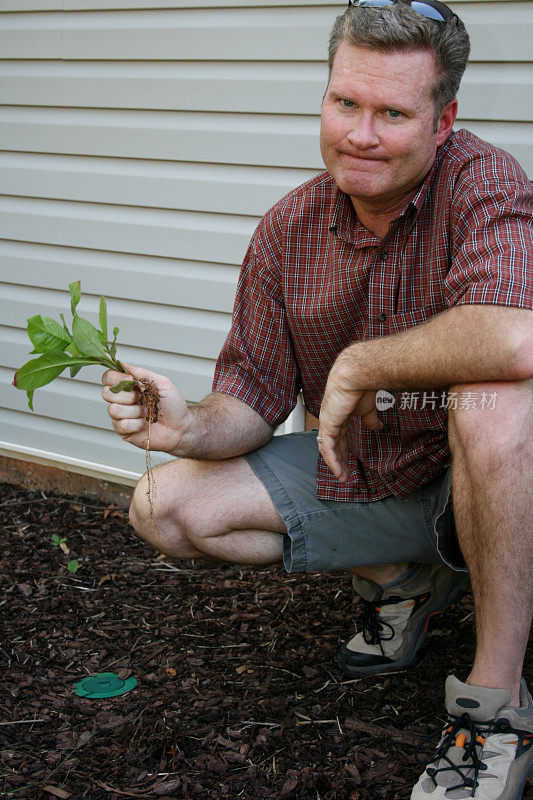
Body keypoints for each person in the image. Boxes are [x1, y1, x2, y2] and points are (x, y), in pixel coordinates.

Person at [102, 0, 533, 795]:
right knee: (163, 504)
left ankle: (494, 704)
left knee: (495, 399)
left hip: (492, 481)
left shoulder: (482, 180)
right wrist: (186, 423)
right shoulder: (286, 227)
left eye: (393, 112)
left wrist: (363, 364)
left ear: (443, 122)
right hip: (378, 483)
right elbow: (250, 403)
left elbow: (515, 337)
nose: (359, 134)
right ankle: (404, 581)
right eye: (345, 102)